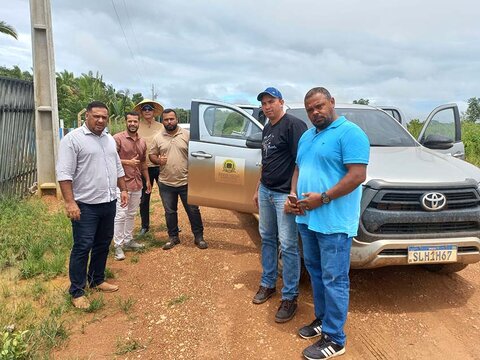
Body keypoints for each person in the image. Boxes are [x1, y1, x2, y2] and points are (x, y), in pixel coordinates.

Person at [285, 87, 369, 359]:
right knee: (317, 273)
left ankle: (335, 338)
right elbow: (299, 168)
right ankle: (322, 320)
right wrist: (293, 195)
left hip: (334, 222)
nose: (315, 112)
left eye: (319, 106)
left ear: (332, 103)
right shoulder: (308, 136)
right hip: (307, 219)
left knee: (334, 279)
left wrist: (323, 198)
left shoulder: (351, 133)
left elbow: (357, 175)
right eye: (310, 109)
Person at [56, 101, 128, 309]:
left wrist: (122, 189)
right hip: (85, 205)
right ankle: (77, 291)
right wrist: (70, 203)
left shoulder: (107, 139)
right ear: (86, 116)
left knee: (103, 243)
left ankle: (97, 279)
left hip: (108, 201)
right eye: (96, 116)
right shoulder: (73, 140)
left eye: (104, 117)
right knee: (82, 246)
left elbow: (116, 167)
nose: (100, 121)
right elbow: (64, 174)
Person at [252, 87, 307, 323]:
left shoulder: (294, 126)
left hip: (284, 194)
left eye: (271, 101)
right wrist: (258, 188)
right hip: (266, 191)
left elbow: (301, 163)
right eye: (264, 103)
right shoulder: (267, 126)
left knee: (289, 245)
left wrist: (293, 194)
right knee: (267, 237)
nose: (267, 106)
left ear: (281, 102)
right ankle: (268, 283)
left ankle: (290, 296)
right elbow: (267, 161)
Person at [149, 109, 207, 250]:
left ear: (177, 119)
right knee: (170, 212)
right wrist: (158, 160)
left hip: (186, 181)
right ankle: (173, 237)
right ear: (162, 121)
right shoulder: (158, 137)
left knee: (193, 210)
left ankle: (198, 237)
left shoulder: (187, 135)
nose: (169, 122)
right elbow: (152, 155)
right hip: (166, 182)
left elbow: (197, 155)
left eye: (171, 119)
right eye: (166, 119)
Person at [112, 111, 152, 261]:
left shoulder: (142, 142)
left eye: (135, 121)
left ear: (139, 123)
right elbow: (110, 159)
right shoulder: (117, 139)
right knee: (120, 215)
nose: (133, 124)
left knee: (131, 213)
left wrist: (147, 179)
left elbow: (143, 163)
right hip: (122, 184)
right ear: (125, 122)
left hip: (137, 184)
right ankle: (118, 245)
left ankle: (128, 240)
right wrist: (127, 162)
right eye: (130, 121)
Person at [133, 99, 164, 236]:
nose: (147, 111)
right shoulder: (137, 126)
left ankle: (171, 223)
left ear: (153, 111)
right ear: (141, 112)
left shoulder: (161, 126)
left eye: (149, 109)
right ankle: (145, 226)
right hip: (144, 167)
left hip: (160, 165)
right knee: (144, 198)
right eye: (144, 109)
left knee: (167, 195)